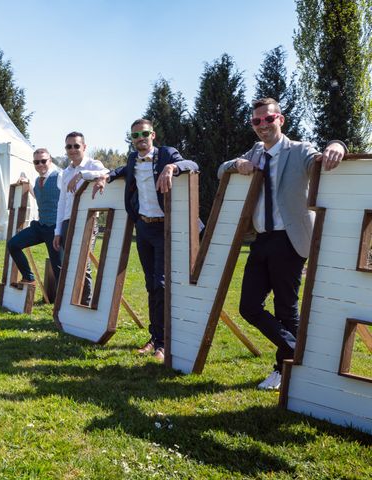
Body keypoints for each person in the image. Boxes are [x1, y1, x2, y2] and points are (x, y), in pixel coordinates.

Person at [217, 97, 346, 390]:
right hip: (261, 239)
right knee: (249, 307)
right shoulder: (254, 152)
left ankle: (282, 369)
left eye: (268, 119)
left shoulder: (298, 150)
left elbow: (324, 155)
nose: (263, 125)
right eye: (256, 121)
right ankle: (297, 353)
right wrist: (236, 163)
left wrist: (338, 145)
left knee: (286, 309)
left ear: (280, 120)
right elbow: (220, 170)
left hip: (290, 240)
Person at [93, 119, 199, 361]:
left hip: (165, 228)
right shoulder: (132, 159)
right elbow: (122, 170)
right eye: (135, 135)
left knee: (161, 284)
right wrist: (105, 177)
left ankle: (164, 343)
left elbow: (192, 164)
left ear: (153, 134)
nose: (140, 138)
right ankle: (155, 338)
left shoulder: (166, 154)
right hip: (143, 227)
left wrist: (172, 168)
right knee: (151, 284)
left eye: (144, 133)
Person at [52, 131, 109, 302]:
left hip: (87, 221)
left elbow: (107, 172)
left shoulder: (93, 164)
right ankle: (70, 301)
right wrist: (57, 231)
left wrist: (82, 174)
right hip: (68, 221)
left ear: (84, 147)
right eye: (69, 146)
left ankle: (85, 302)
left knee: (84, 263)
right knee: (69, 263)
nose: (73, 149)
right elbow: (61, 203)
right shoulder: (65, 172)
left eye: (76, 146)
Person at [7, 148, 62, 284]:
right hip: (40, 226)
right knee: (13, 244)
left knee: (58, 268)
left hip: (55, 229)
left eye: (43, 161)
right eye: (37, 162)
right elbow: (39, 196)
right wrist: (27, 183)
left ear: (50, 161)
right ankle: (28, 277)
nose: (40, 164)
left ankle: (61, 303)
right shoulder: (38, 180)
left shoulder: (60, 176)